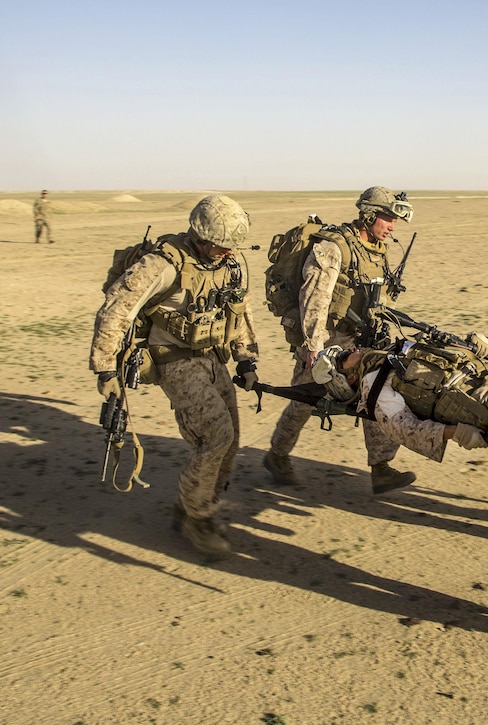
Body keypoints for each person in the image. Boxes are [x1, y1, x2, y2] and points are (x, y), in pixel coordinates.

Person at [89, 195, 260, 559]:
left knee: (232, 440)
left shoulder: (229, 263)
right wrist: (105, 367)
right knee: (215, 436)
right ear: (201, 236)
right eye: (221, 246)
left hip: (214, 356)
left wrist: (246, 358)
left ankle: (195, 505)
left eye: (232, 247)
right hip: (174, 360)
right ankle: (196, 520)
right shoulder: (161, 265)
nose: (228, 253)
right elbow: (115, 310)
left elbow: (238, 311)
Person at [264, 187, 417, 493]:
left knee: (375, 392)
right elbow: (315, 299)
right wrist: (313, 348)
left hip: (361, 337)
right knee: (304, 399)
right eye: (387, 218)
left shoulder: (377, 249)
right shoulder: (334, 247)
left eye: (394, 220)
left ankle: (381, 468)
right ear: (369, 214)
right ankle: (277, 455)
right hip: (327, 338)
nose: (392, 226)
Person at [307, 340, 488, 463]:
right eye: (346, 356)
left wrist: (473, 345)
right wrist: (455, 433)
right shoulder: (374, 387)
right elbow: (405, 429)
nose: (354, 348)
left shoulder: (391, 353)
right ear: (348, 379)